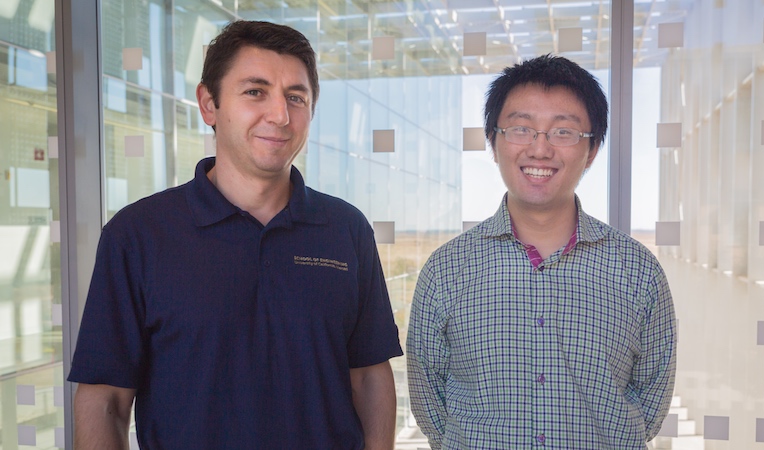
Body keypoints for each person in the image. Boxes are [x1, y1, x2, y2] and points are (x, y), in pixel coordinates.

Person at [69, 20, 402, 449]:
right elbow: (105, 398)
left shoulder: (346, 228)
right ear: (209, 104)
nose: (280, 115)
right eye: (255, 92)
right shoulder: (137, 234)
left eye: (296, 98)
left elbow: (369, 376)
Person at [406, 55, 677, 449]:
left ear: (593, 149)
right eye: (521, 128)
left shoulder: (638, 271)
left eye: (563, 132)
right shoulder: (446, 270)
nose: (540, 148)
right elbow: (431, 403)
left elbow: (650, 401)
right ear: (493, 143)